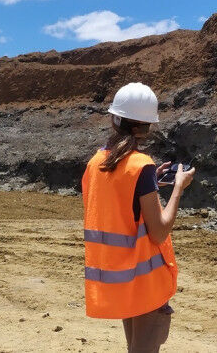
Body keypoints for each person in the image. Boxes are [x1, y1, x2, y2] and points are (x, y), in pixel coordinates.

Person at [82, 82, 196, 352]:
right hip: (144, 282)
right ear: (147, 126)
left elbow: (116, 201)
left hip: (119, 278)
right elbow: (159, 231)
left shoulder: (96, 162)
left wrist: (151, 183)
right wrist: (178, 187)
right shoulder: (140, 165)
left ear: (114, 119)